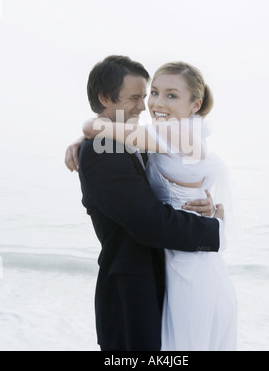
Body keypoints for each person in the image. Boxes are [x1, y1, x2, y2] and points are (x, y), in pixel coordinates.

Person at [65, 55, 223, 352]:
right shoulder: (103, 151)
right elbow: (150, 223)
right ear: (104, 98)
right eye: (139, 97)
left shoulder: (140, 140)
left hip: (166, 276)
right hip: (132, 288)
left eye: (147, 95)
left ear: (195, 104)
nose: (145, 107)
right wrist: (214, 230)